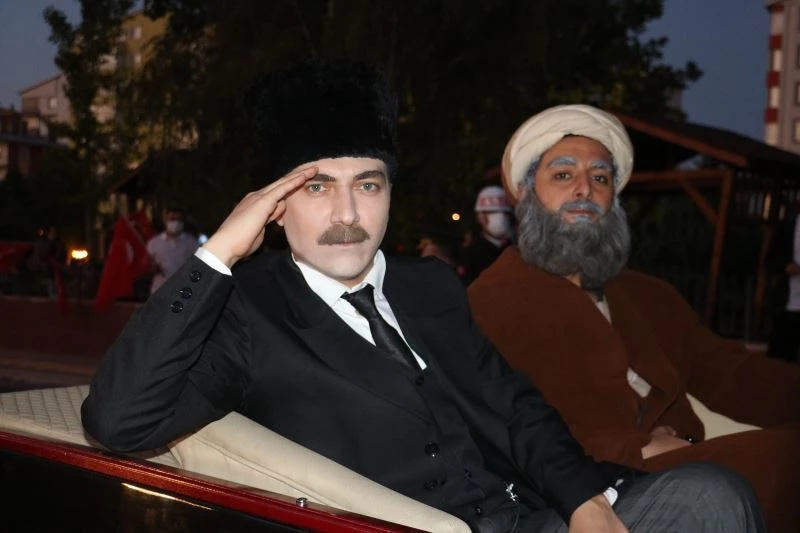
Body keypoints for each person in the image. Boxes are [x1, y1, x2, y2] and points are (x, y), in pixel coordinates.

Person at [82, 62, 764, 533]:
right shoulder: (246, 313)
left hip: (531, 513)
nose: (348, 213)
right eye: (318, 187)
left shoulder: (428, 284)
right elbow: (118, 422)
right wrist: (221, 252)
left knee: (715, 492)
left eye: (368, 184)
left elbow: (512, 405)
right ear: (275, 208)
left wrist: (584, 500)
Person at [467, 104, 800, 532]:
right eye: (563, 175)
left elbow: (736, 375)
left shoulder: (651, 296)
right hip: (579, 495)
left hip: (682, 463)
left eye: (601, 177)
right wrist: (638, 449)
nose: (584, 189)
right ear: (526, 194)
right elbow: (502, 430)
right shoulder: (489, 301)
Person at [460, 185, 513, 284]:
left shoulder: (516, 248)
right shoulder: (471, 254)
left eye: (504, 213)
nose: (500, 217)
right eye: (492, 212)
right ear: (479, 217)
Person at [766, 212, 800, 363]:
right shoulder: (787, 226)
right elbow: (769, 260)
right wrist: (785, 266)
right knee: (780, 363)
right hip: (788, 307)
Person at [146, 207, 198, 294]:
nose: (175, 222)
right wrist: (153, 269)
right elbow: (146, 266)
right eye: (172, 219)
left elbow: (198, 265)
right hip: (159, 291)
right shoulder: (154, 243)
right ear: (165, 220)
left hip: (183, 292)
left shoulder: (191, 242)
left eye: (179, 219)